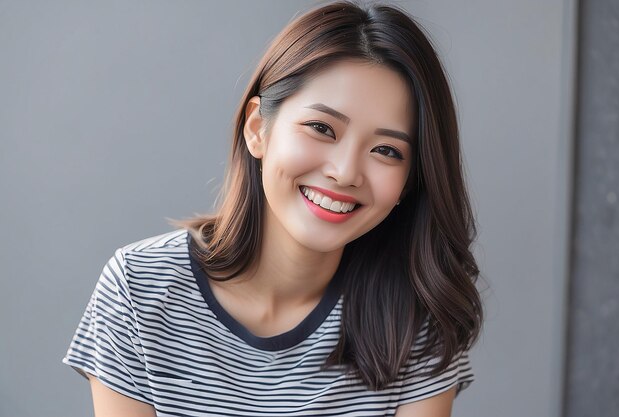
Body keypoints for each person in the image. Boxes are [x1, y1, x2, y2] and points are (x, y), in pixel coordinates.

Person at [62, 1, 483, 416]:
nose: (344, 172)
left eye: (387, 150)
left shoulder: (417, 316)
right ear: (257, 128)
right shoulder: (139, 291)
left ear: (410, 180)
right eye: (321, 128)